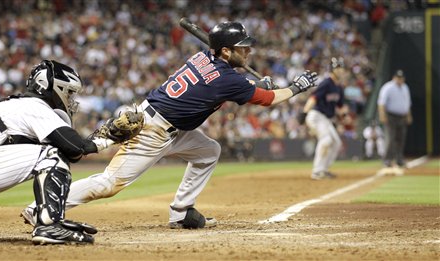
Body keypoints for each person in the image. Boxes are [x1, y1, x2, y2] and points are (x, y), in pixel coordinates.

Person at [21, 21, 318, 229]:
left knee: (209, 151)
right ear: (225, 51)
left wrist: (252, 82)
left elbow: (228, 82)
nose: (248, 52)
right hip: (152, 130)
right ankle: (42, 209)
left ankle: (181, 212)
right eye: (243, 48)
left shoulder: (203, 57)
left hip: (172, 126)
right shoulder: (228, 79)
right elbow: (268, 99)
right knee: (109, 184)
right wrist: (296, 87)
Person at [0, 60, 118, 244]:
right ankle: (49, 225)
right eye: (69, 93)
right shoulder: (35, 106)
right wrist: (110, 137)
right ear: (55, 88)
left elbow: (75, 154)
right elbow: (74, 148)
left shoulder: (10, 105)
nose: (70, 100)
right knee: (52, 154)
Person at [298, 57, 349, 180]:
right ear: (332, 69)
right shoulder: (327, 83)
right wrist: (304, 113)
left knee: (336, 143)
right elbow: (313, 98)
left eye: (342, 68)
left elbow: (340, 107)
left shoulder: (339, 88)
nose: (341, 70)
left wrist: (345, 116)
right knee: (326, 140)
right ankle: (316, 171)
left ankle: (324, 169)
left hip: (326, 119)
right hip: (315, 115)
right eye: (338, 67)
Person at [377, 69, 412, 176]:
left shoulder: (405, 87)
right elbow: (381, 103)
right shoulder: (388, 87)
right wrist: (382, 115)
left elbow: (407, 103)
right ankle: (387, 160)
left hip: (402, 116)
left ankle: (399, 159)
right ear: (394, 77)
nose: (400, 80)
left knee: (400, 138)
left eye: (401, 78)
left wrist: (408, 115)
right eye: (398, 77)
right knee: (391, 138)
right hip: (391, 116)